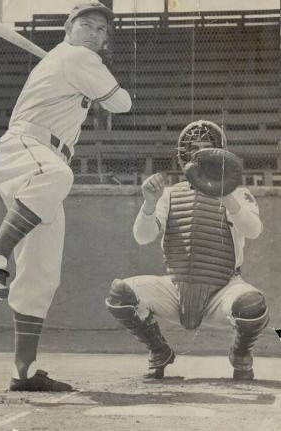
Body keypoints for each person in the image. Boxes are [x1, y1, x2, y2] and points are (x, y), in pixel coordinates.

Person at [0, 0, 132, 392]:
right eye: (88, 25)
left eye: (101, 30)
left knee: (43, 270)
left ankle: (23, 373)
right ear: (68, 27)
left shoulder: (70, 62)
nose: (95, 34)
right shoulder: (76, 57)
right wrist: (95, 88)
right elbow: (123, 103)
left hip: (45, 154)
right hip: (25, 147)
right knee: (56, 174)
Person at [106, 120, 269, 380]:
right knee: (120, 294)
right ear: (184, 156)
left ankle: (240, 355)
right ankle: (159, 351)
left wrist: (226, 195)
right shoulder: (169, 194)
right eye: (194, 149)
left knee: (252, 306)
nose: (200, 155)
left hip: (223, 289)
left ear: (220, 153)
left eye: (207, 149)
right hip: (175, 288)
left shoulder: (239, 193)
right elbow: (142, 236)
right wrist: (149, 203)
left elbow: (254, 230)